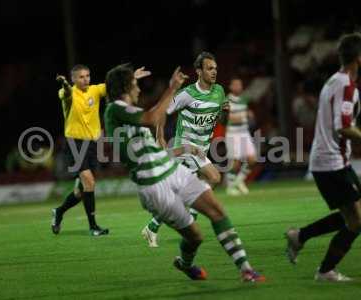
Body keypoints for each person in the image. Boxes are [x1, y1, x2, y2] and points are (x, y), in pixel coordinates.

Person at [104, 63, 264, 282]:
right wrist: (172, 88)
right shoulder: (114, 110)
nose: (138, 89)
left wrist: (184, 148)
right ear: (124, 87)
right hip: (154, 187)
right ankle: (184, 263)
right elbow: (152, 117)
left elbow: (156, 151)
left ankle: (246, 270)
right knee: (196, 237)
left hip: (174, 171)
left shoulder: (129, 115)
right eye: (134, 85)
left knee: (218, 211)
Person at [285, 33, 361, 282]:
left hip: (332, 161)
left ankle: (301, 237)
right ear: (359, 59)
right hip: (331, 162)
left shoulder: (333, 81)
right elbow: (343, 126)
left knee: (354, 215)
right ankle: (325, 270)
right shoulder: (346, 86)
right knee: (356, 219)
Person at [141, 51, 229, 247]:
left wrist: (225, 113)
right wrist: (159, 135)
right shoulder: (187, 94)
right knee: (214, 178)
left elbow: (221, 119)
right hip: (185, 146)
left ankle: (153, 226)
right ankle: (188, 219)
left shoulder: (219, 92)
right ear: (199, 71)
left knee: (183, 193)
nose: (214, 72)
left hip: (202, 149)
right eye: (209, 68)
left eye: (215, 68)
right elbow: (162, 111)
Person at [51, 64, 150, 236]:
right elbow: (66, 93)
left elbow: (115, 85)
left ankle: (59, 212)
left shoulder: (95, 90)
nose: (85, 79)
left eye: (87, 75)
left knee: (80, 191)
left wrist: (132, 76)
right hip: (75, 143)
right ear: (74, 79)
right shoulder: (68, 92)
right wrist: (65, 84)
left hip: (92, 144)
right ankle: (93, 227)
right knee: (89, 182)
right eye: (81, 77)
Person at [224, 77, 257, 196]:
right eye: (236, 85)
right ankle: (230, 187)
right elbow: (229, 118)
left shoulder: (244, 99)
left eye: (240, 85)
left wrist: (248, 113)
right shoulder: (227, 100)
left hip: (245, 133)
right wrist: (244, 115)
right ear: (231, 87)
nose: (238, 87)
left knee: (253, 159)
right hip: (233, 134)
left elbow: (245, 111)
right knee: (236, 162)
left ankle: (239, 181)